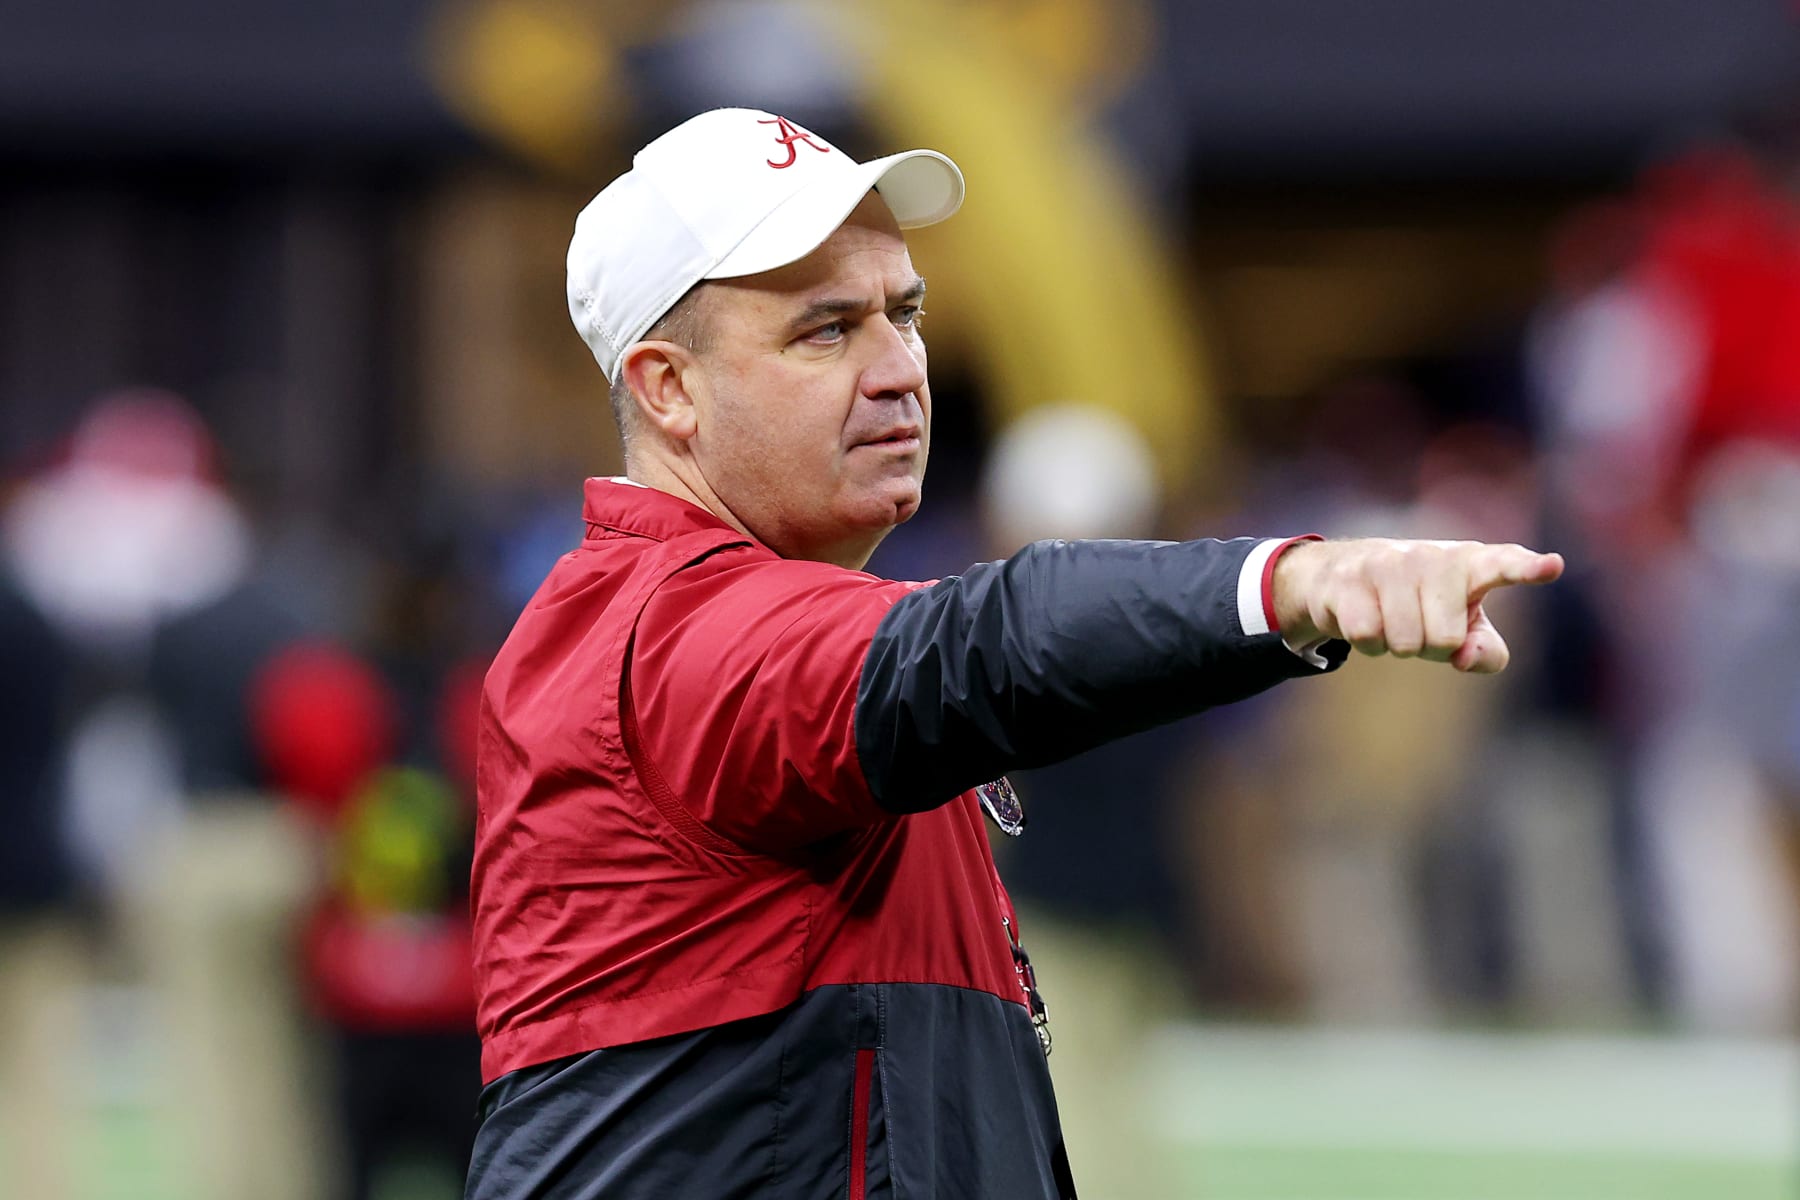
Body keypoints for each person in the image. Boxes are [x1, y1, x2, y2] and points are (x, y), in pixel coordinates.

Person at [464, 108, 1564, 1200]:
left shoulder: (730, 614)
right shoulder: (672, 634)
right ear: (669, 389)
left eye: (908, 313)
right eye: (827, 330)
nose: (901, 369)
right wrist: (1288, 584)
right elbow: (984, 640)